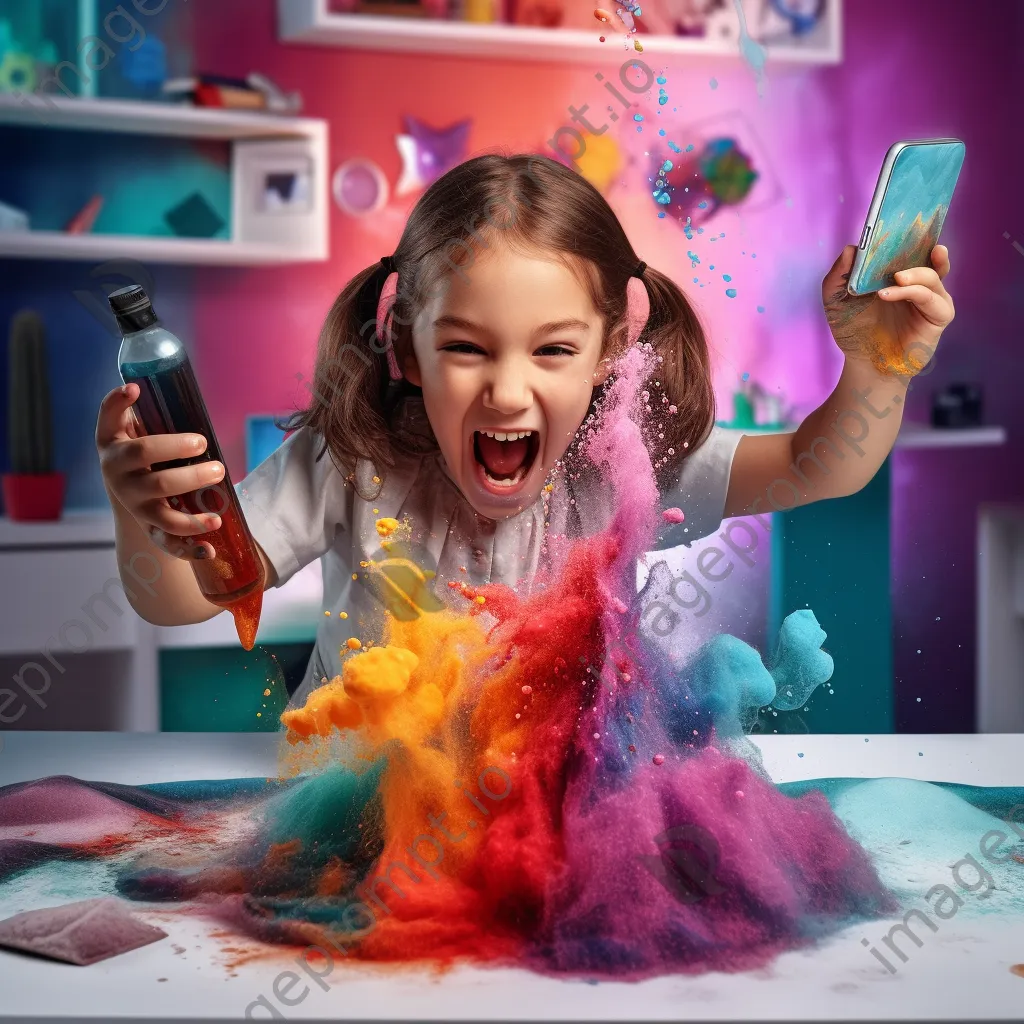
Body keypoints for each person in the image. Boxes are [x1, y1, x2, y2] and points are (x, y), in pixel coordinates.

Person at [95, 153, 954, 709]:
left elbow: (820, 467)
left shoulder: (623, 463)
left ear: (611, 347)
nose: (508, 390)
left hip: (550, 821)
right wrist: (140, 510)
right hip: (351, 808)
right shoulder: (345, 462)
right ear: (405, 346)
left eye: (553, 350)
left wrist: (878, 368)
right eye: (465, 348)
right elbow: (178, 597)